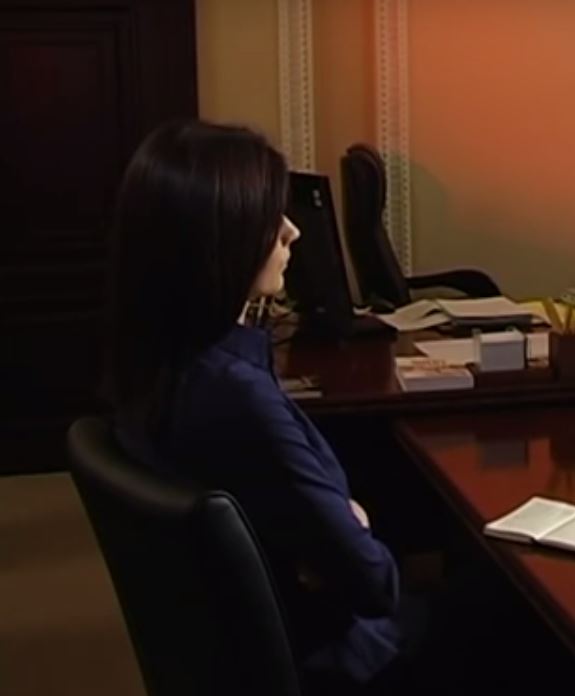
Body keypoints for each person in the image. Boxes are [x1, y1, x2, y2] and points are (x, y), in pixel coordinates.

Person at [105, 120, 420, 695]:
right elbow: (376, 583)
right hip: (343, 660)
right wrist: (350, 522)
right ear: (218, 239)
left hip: (256, 647)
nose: (292, 230)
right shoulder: (237, 397)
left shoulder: (156, 365)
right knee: (521, 609)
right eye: (269, 217)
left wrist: (338, 531)